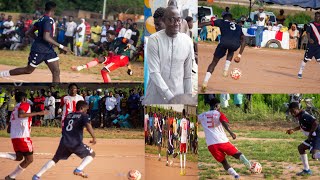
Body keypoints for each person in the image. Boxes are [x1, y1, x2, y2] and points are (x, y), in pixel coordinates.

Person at [0, 1, 71, 82]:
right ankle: (2, 74)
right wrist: (61, 46)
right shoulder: (48, 20)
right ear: (53, 10)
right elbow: (46, 37)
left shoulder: (41, 19)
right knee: (28, 70)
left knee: (56, 71)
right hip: (39, 50)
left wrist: (38, 39)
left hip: (48, 49)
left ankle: (55, 92)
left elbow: (28, 32)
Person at [32, 101, 96, 179]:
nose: (87, 111)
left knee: (55, 159)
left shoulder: (68, 115)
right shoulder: (84, 115)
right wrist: (94, 137)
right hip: (75, 142)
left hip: (64, 141)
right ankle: (79, 169)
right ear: (82, 108)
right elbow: (88, 125)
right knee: (92, 154)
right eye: (86, 109)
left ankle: (37, 175)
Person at [143, 6, 193, 104]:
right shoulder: (154, 40)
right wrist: (170, 97)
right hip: (155, 98)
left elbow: (187, 76)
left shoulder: (186, 41)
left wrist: (188, 98)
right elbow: (154, 73)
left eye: (158, 24)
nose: (156, 27)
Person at [198, 98, 252, 180]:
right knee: (236, 154)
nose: (220, 107)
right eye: (219, 106)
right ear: (216, 106)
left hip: (211, 144)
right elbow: (223, 122)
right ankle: (249, 165)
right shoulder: (219, 114)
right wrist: (231, 133)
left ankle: (236, 176)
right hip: (222, 141)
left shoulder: (202, 115)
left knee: (223, 162)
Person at [0, 92, 47, 180]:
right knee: (29, 159)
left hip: (15, 137)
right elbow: (21, 115)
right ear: (24, 99)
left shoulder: (14, 108)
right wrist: (38, 113)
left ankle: (10, 176)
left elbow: (8, 129)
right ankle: (11, 177)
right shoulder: (24, 104)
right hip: (22, 136)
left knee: (19, 157)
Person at [200, 13, 246, 93]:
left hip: (224, 43)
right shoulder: (238, 26)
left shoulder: (221, 22)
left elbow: (208, 23)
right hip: (235, 45)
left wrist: (199, 24)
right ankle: (225, 70)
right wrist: (239, 55)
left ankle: (204, 83)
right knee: (231, 49)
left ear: (223, 18)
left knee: (214, 62)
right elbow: (244, 40)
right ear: (231, 20)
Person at [286, 102, 320, 176]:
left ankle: (307, 170)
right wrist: (293, 130)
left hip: (317, 135)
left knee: (315, 155)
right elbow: (302, 125)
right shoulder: (300, 116)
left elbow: (316, 123)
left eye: (293, 111)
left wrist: (310, 134)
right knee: (301, 148)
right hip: (313, 136)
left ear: (298, 108)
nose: (292, 113)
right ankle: (306, 170)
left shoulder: (304, 115)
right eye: (290, 112)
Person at [297, 12, 320, 79]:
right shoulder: (311, 25)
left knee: (319, 60)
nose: (317, 18)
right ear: (314, 17)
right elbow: (308, 32)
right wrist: (309, 39)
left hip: (318, 46)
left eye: (318, 16)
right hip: (311, 46)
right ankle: (300, 72)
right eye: (316, 16)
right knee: (305, 59)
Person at [179, 110, 189, 176]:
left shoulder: (181, 121)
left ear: (182, 114)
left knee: (181, 153)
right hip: (185, 138)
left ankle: (181, 169)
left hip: (182, 138)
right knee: (185, 154)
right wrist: (188, 137)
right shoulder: (187, 121)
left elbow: (180, 130)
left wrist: (179, 138)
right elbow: (188, 130)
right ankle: (184, 169)